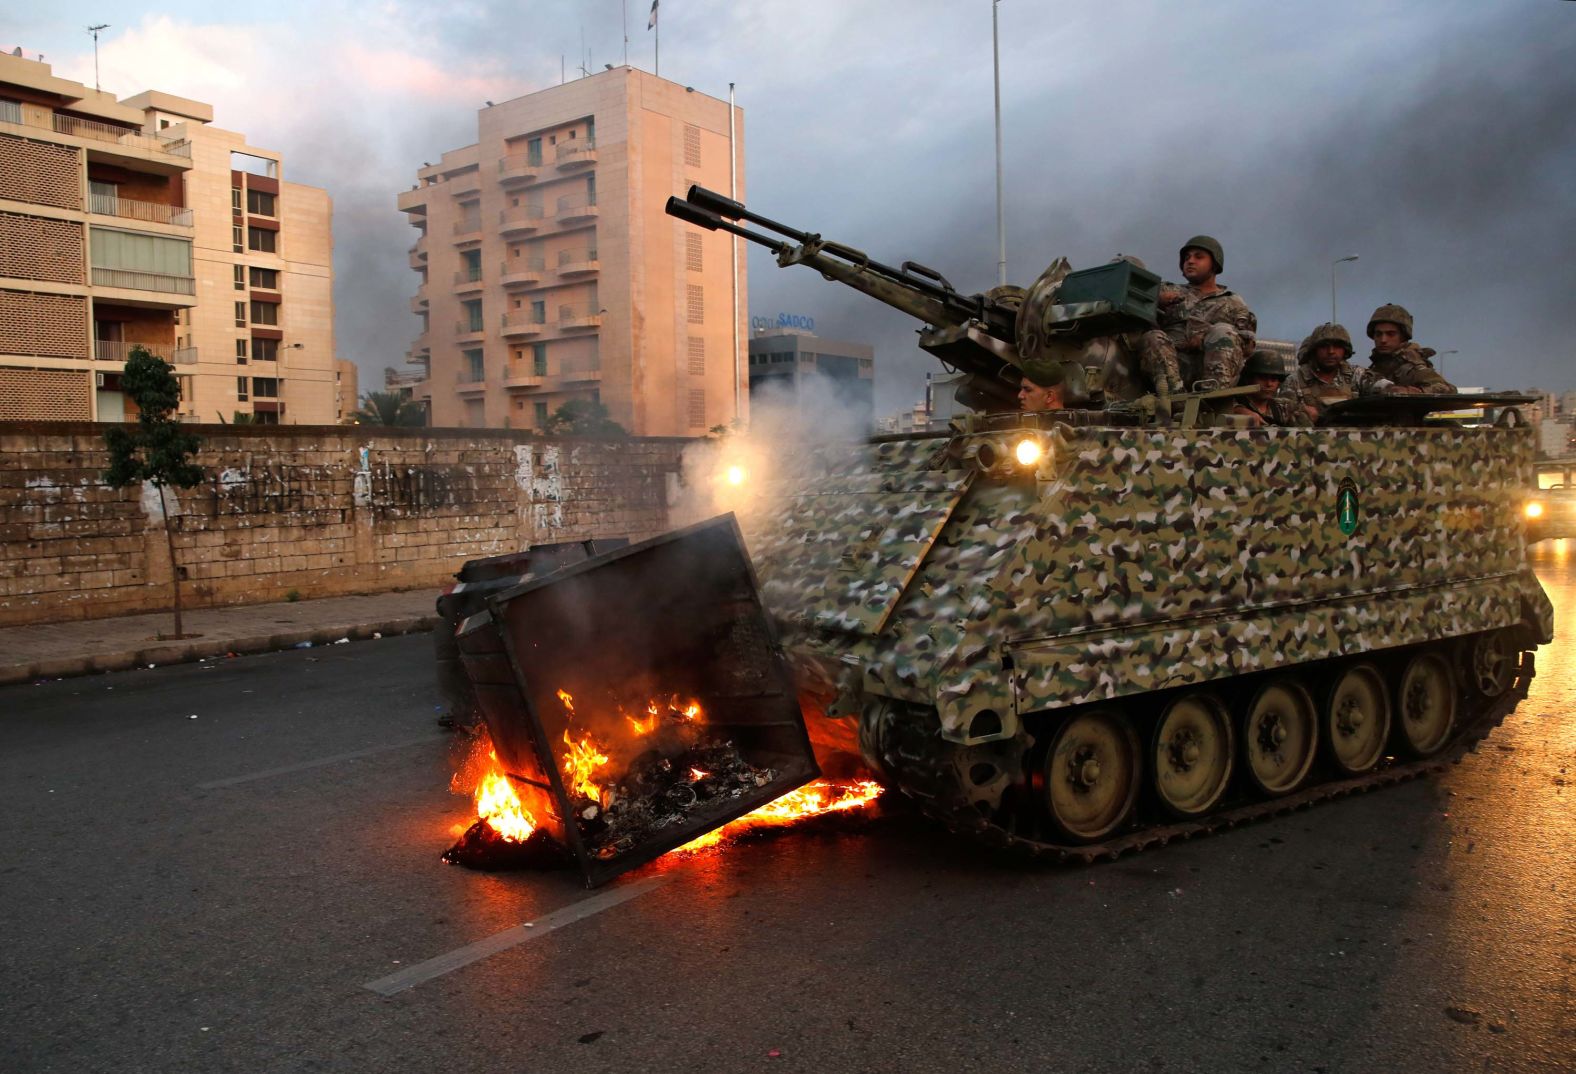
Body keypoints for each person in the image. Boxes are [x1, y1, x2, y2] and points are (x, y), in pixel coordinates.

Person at [1138, 235, 1257, 396]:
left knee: (1223, 331)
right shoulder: (1166, 290)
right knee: (1153, 337)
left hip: (1213, 371)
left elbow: (1247, 347)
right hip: (1171, 369)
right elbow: (1133, 300)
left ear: (1214, 264)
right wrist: (1156, 300)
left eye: (1199, 257)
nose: (1190, 261)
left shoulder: (1233, 302)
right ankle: (1176, 398)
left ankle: (1212, 398)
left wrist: (1207, 337)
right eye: (1187, 258)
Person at [1279, 322, 1412, 422]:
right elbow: (1281, 411)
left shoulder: (1356, 375)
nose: (1331, 351)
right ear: (1314, 351)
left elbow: (1381, 386)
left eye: (1337, 346)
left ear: (1345, 350)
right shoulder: (1295, 380)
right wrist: (1300, 412)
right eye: (1324, 347)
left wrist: (1396, 389)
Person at [1365, 303, 1456, 392]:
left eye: (1391, 334)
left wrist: (1413, 392)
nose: (1383, 339)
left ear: (1403, 336)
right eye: (1378, 334)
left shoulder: (1411, 366)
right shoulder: (1376, 366)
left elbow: (1449, 389)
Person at [1232, 349, 1309, 427]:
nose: (1269, 384)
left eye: (1274, 379)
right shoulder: (1233, 405)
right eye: (1262, 378)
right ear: (1249, 379)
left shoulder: (1282, 408)